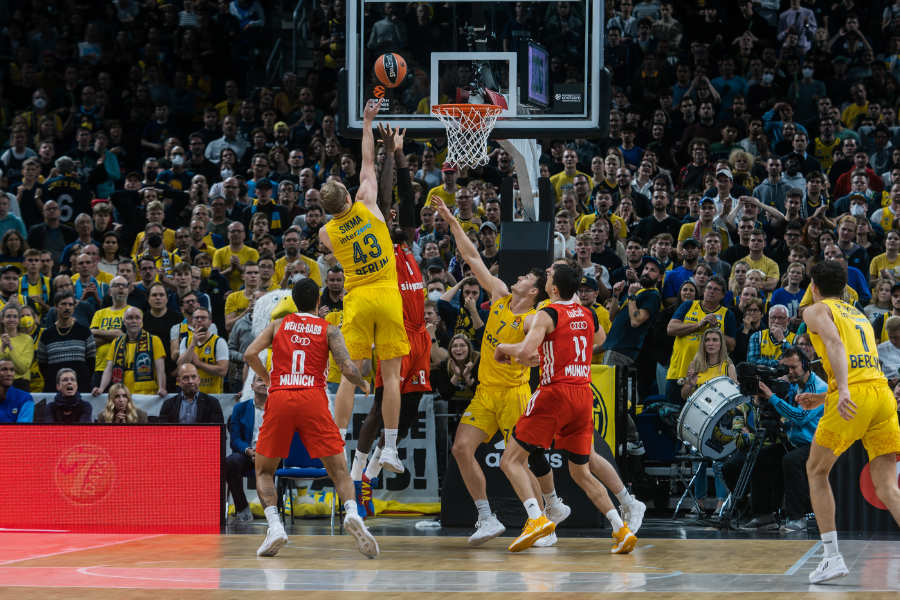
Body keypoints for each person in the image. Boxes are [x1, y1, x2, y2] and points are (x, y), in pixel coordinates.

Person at [432, 196, 571, 547]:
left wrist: (525, 357)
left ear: (535, 290)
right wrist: (452, 221)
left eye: (524, 276)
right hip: (484, 392)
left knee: (520, 461)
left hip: (513, 395)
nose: (518, 277)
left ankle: (544, 520)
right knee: (462, 448)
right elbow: (472, 257)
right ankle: (486, 517)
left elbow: (536, 353)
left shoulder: (530, 319)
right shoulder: (498, 294)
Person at [495, 263, 637, 554]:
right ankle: (620, 529)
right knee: (581, 471)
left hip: (555, 392)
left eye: (548, 276)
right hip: (583, 394)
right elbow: (599, 341)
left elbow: (525, 353)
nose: (545, 276)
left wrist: (503, 348)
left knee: (510, 460)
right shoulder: (586, 313)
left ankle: (536, 518)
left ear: (555, 288)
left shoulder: (548, 314)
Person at [243, 278, 379, 559]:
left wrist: (268, 378)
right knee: (339, 469)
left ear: (293, 301)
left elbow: (249, 354)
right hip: (313, 398)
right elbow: (347, 367)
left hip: (280, 397)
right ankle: (352, 513)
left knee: (264, 470)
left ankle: (275, 526)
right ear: (318, 302)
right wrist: (364, 385)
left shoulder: (278, 325)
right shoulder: (328, 329)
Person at [318, 100, 409, 474]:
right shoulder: (367, 201)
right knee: (390, 377)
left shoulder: (327, 233)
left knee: (349, 378)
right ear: (347, 194)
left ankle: (337, 442)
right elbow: (368, 160)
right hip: (387, 293)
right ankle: (389, 448)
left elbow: (327, 244)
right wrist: (368, 121)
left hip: (356, 298)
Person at [798, 261, 900, 583]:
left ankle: (832, 558)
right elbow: (861, 367)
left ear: (814, 286)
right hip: (882, 396)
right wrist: (826, 396)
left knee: (816, 470)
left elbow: (835, 345)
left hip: (854, 394)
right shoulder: (859, 315)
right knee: (887, 487)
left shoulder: (815, 311)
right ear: (845, 286)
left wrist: (841, 390)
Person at [755, 347, 826, 532]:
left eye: (793, 367)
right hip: (796, 441)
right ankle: (764, 516)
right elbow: (788, 418)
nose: (790, 372)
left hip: (817, 444)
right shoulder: (794, 385)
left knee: (791, 461)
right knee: (762, 457)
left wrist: (771, 397)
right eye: (786, 368)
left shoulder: (818, 388)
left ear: (805, 364)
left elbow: (800, 417)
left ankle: (798, 518)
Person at [92, 307, 167, 397]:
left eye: (137, 318)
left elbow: (160, 369)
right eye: (130, 318)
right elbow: (109, 368)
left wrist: (162, 388)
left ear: (142, 322)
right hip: (121, 394)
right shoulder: (116, 342)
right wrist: (101, 388)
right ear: (124, 322)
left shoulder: (154, 340)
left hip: (146, 394)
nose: (133, 321)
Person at [226, 373, 269, 523]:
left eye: (267, 380)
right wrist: (250, 451)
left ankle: (274, 512)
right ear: (252, 386)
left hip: (271, 454)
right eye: (260, 380)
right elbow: (235, 439)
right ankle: (242, 508)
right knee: (231, 462)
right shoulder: (240, 408)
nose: (264, 383)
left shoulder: (278, 408)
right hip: (248, 454)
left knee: (282, 462)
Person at [37, 292, 96, 392]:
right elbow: (42, 364)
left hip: (81, 388)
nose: (67, 307)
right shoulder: (46, 334)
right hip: (54, 389)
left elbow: (91, 361)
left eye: (70, 304)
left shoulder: (84, 331)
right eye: (63, 304)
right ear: (56, 307)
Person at [158, 363, 225, 424]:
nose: (190, 381)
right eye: (185, 378)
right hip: (176, 437)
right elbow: (162, 432)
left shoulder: (212, 403)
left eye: (193, 377)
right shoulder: (168, 405)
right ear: (178, 381)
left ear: (199, 379)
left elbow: (219, 433)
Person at [0, 358, 33, 423]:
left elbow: (23, 429)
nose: (9, 374)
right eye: (4, 369)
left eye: (12, 370)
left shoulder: (25, 398)